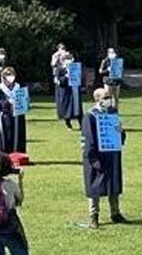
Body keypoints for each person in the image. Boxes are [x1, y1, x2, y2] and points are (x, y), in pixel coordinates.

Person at [81, 87, 126, 228]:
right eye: (105, 97)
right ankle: (93, 215)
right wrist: (93, 160)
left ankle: (115, 212)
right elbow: (88, 139)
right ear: (97, 99)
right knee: (95, 185)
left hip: (112, 153)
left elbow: (120, 136)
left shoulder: (113, 112)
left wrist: (121, 132)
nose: (109, 100)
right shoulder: (90, 116)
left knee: (113, 183)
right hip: (96, 155)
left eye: (109, 97)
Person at [0, 68, 27, 155]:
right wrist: (8, 103)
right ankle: (4, 154)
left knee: (18, 134)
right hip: (4, 115)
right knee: (5, 134)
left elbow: (24, 100)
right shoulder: (0, 88)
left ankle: (18, 153)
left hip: (17, 115)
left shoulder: (18, 87)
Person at [53, 52, 81, 130]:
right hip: (65, 91)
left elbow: (79, 77)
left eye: (71, 59)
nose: (70, 60)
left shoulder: (75, 67)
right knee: (67, 108)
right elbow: (59, 81)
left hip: (74, 90)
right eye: (67, 59)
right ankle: (68, 124)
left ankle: (80, 123)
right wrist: (66, 76)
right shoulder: (60, 69)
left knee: (77, 108)